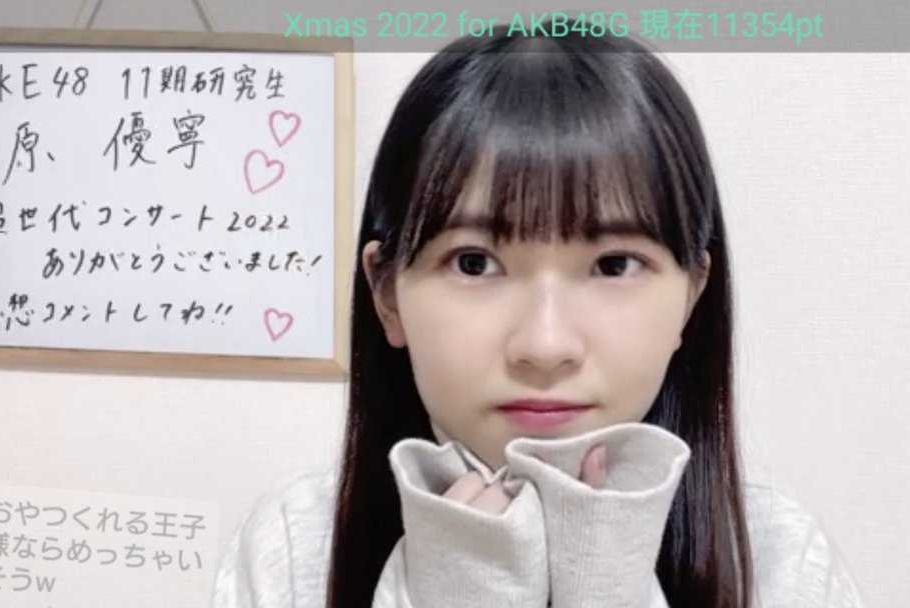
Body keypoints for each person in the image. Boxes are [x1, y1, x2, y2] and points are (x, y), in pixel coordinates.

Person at [211, 26, 866, 608]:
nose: (545, 345)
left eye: (614, 265)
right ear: (386, 294)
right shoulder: (296, 547)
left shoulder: (777, 562)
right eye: (474, 263)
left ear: (692, 297)